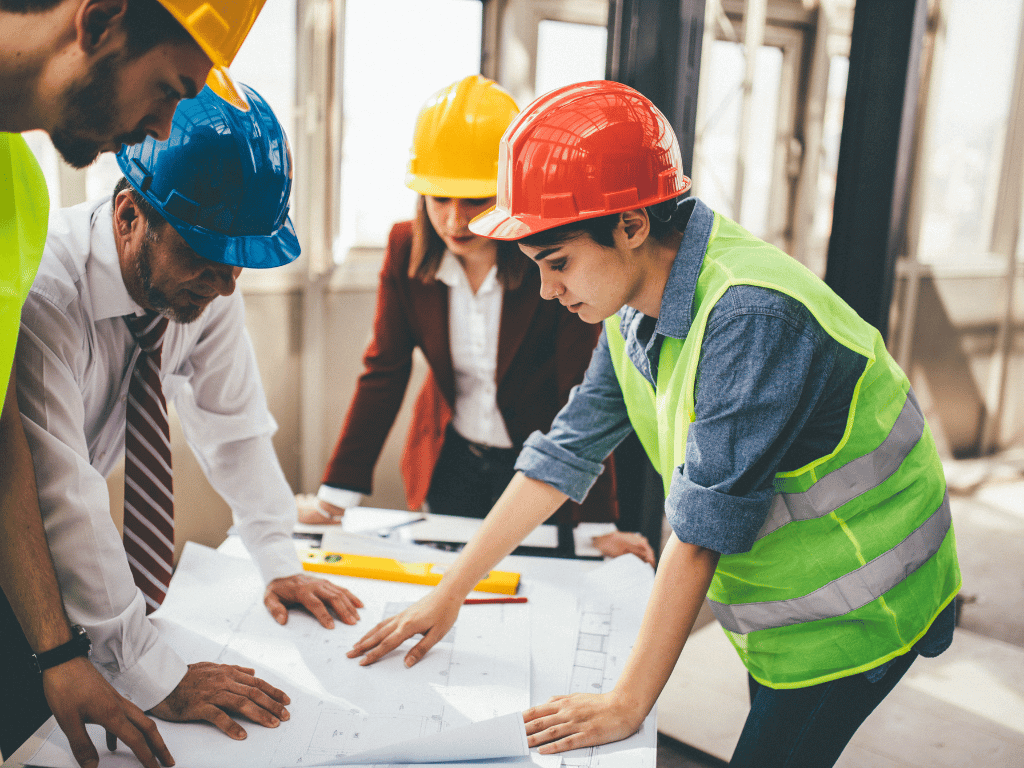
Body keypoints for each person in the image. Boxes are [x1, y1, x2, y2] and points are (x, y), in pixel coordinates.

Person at [345, 81, 962, 768]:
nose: (549, 291)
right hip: (791, 605)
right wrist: (449, 590)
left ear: (632, 225)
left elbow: (700, 533)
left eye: (557, 264)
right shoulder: (634, 304)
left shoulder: (747, 317)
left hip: (861, 611)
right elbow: (566, 450)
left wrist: (626, 705)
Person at [11, 83, 365, 760]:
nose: (227, 285)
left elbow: (233, 428)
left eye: (239, 264)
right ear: (128, 215)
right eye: (207, 258)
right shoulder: (48, 290)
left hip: (71, 557)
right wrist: (154, 673)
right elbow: (63, 492)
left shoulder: (201, 286)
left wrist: (277, 557)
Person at [1, 0, 271, 764]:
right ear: (102, 19)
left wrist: (60, 653)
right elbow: (64, 485)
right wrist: (141, 666)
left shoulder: (15, 188)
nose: (160, 129)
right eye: (167, 90)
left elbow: (6, 440)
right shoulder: (53, 277)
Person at [301, 75, 652, 564]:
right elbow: (384, 372)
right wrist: (335, 498)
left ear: (508, 193)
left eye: (474, 199)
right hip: (449, 460)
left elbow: (584, 390)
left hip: (537, 465)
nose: (454, 220)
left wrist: (598, 525)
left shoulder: (552, 261)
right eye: (440, 199)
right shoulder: (405, 249)